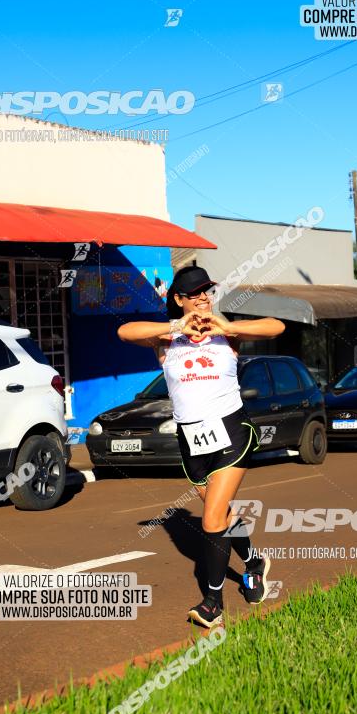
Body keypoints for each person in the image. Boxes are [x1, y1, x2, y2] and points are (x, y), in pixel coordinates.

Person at [118, 265, 285, 628]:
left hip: (231, 431)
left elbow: (277, 326)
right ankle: (254, 562)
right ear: (178, 300)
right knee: (221, 514)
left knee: (211, 519)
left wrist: (229, 327)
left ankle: (213, 604)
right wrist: (176, 327)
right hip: (191, 439)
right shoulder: (167, 340)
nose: (203, 298)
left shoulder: (226, 335)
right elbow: (124, 332)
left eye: (207, 291)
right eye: (194, 293)